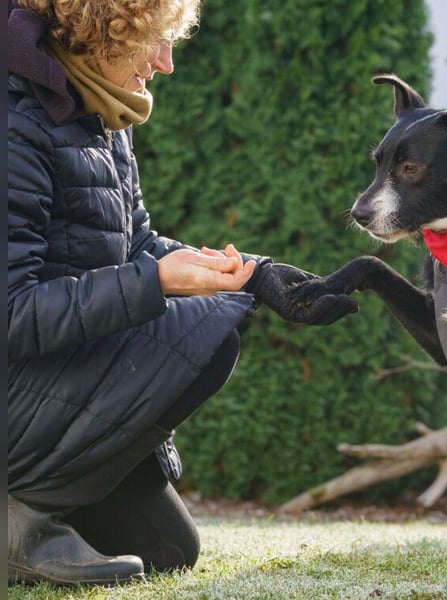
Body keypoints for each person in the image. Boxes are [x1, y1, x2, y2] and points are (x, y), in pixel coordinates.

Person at [8, 0, 358, 586]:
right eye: (154, 40)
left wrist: (256, 273)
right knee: (207, 332)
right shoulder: (17, 120)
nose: (166, 63)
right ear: (103, 32)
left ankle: (42, 507)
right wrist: (159, 283)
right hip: (15, 393)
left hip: (44, 392)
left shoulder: (93, 111)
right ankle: (14, 524)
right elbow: (11, 311)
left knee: (169, 548)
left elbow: (137, 243)